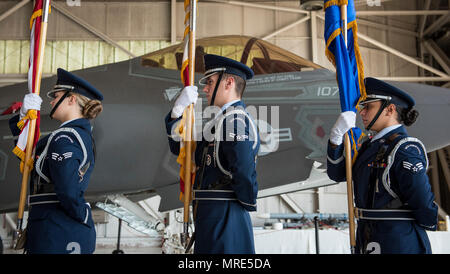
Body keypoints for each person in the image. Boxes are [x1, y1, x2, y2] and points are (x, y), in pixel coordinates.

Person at [326, 77, 438, 254]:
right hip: (368, 235)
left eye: (368, 106)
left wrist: (428, 222)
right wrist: (335, 139)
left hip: (397, 239)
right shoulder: (370, 146)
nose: (361, 113)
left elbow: (422, 201)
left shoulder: (404, 148)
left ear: (390, 109)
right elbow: (338, 174)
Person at [165, 54, 260, 254]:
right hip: (212, 215)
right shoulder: (219, 122)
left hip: (225, 217)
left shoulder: (235, 121)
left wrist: (242, 204)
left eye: (210, 82)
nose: (205, 89)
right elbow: (184, 150)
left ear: (229, 82)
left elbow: (243, 170)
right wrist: (177, 111)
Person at [9, 68, 103, 254]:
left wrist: (82, 215)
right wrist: (23, 117)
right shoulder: (67, 136)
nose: (51, 100)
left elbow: (67, 189)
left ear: (71, 99)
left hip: (59, 231)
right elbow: (30, 157)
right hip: (54, 229)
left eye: (56, 95)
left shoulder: (66, 138)